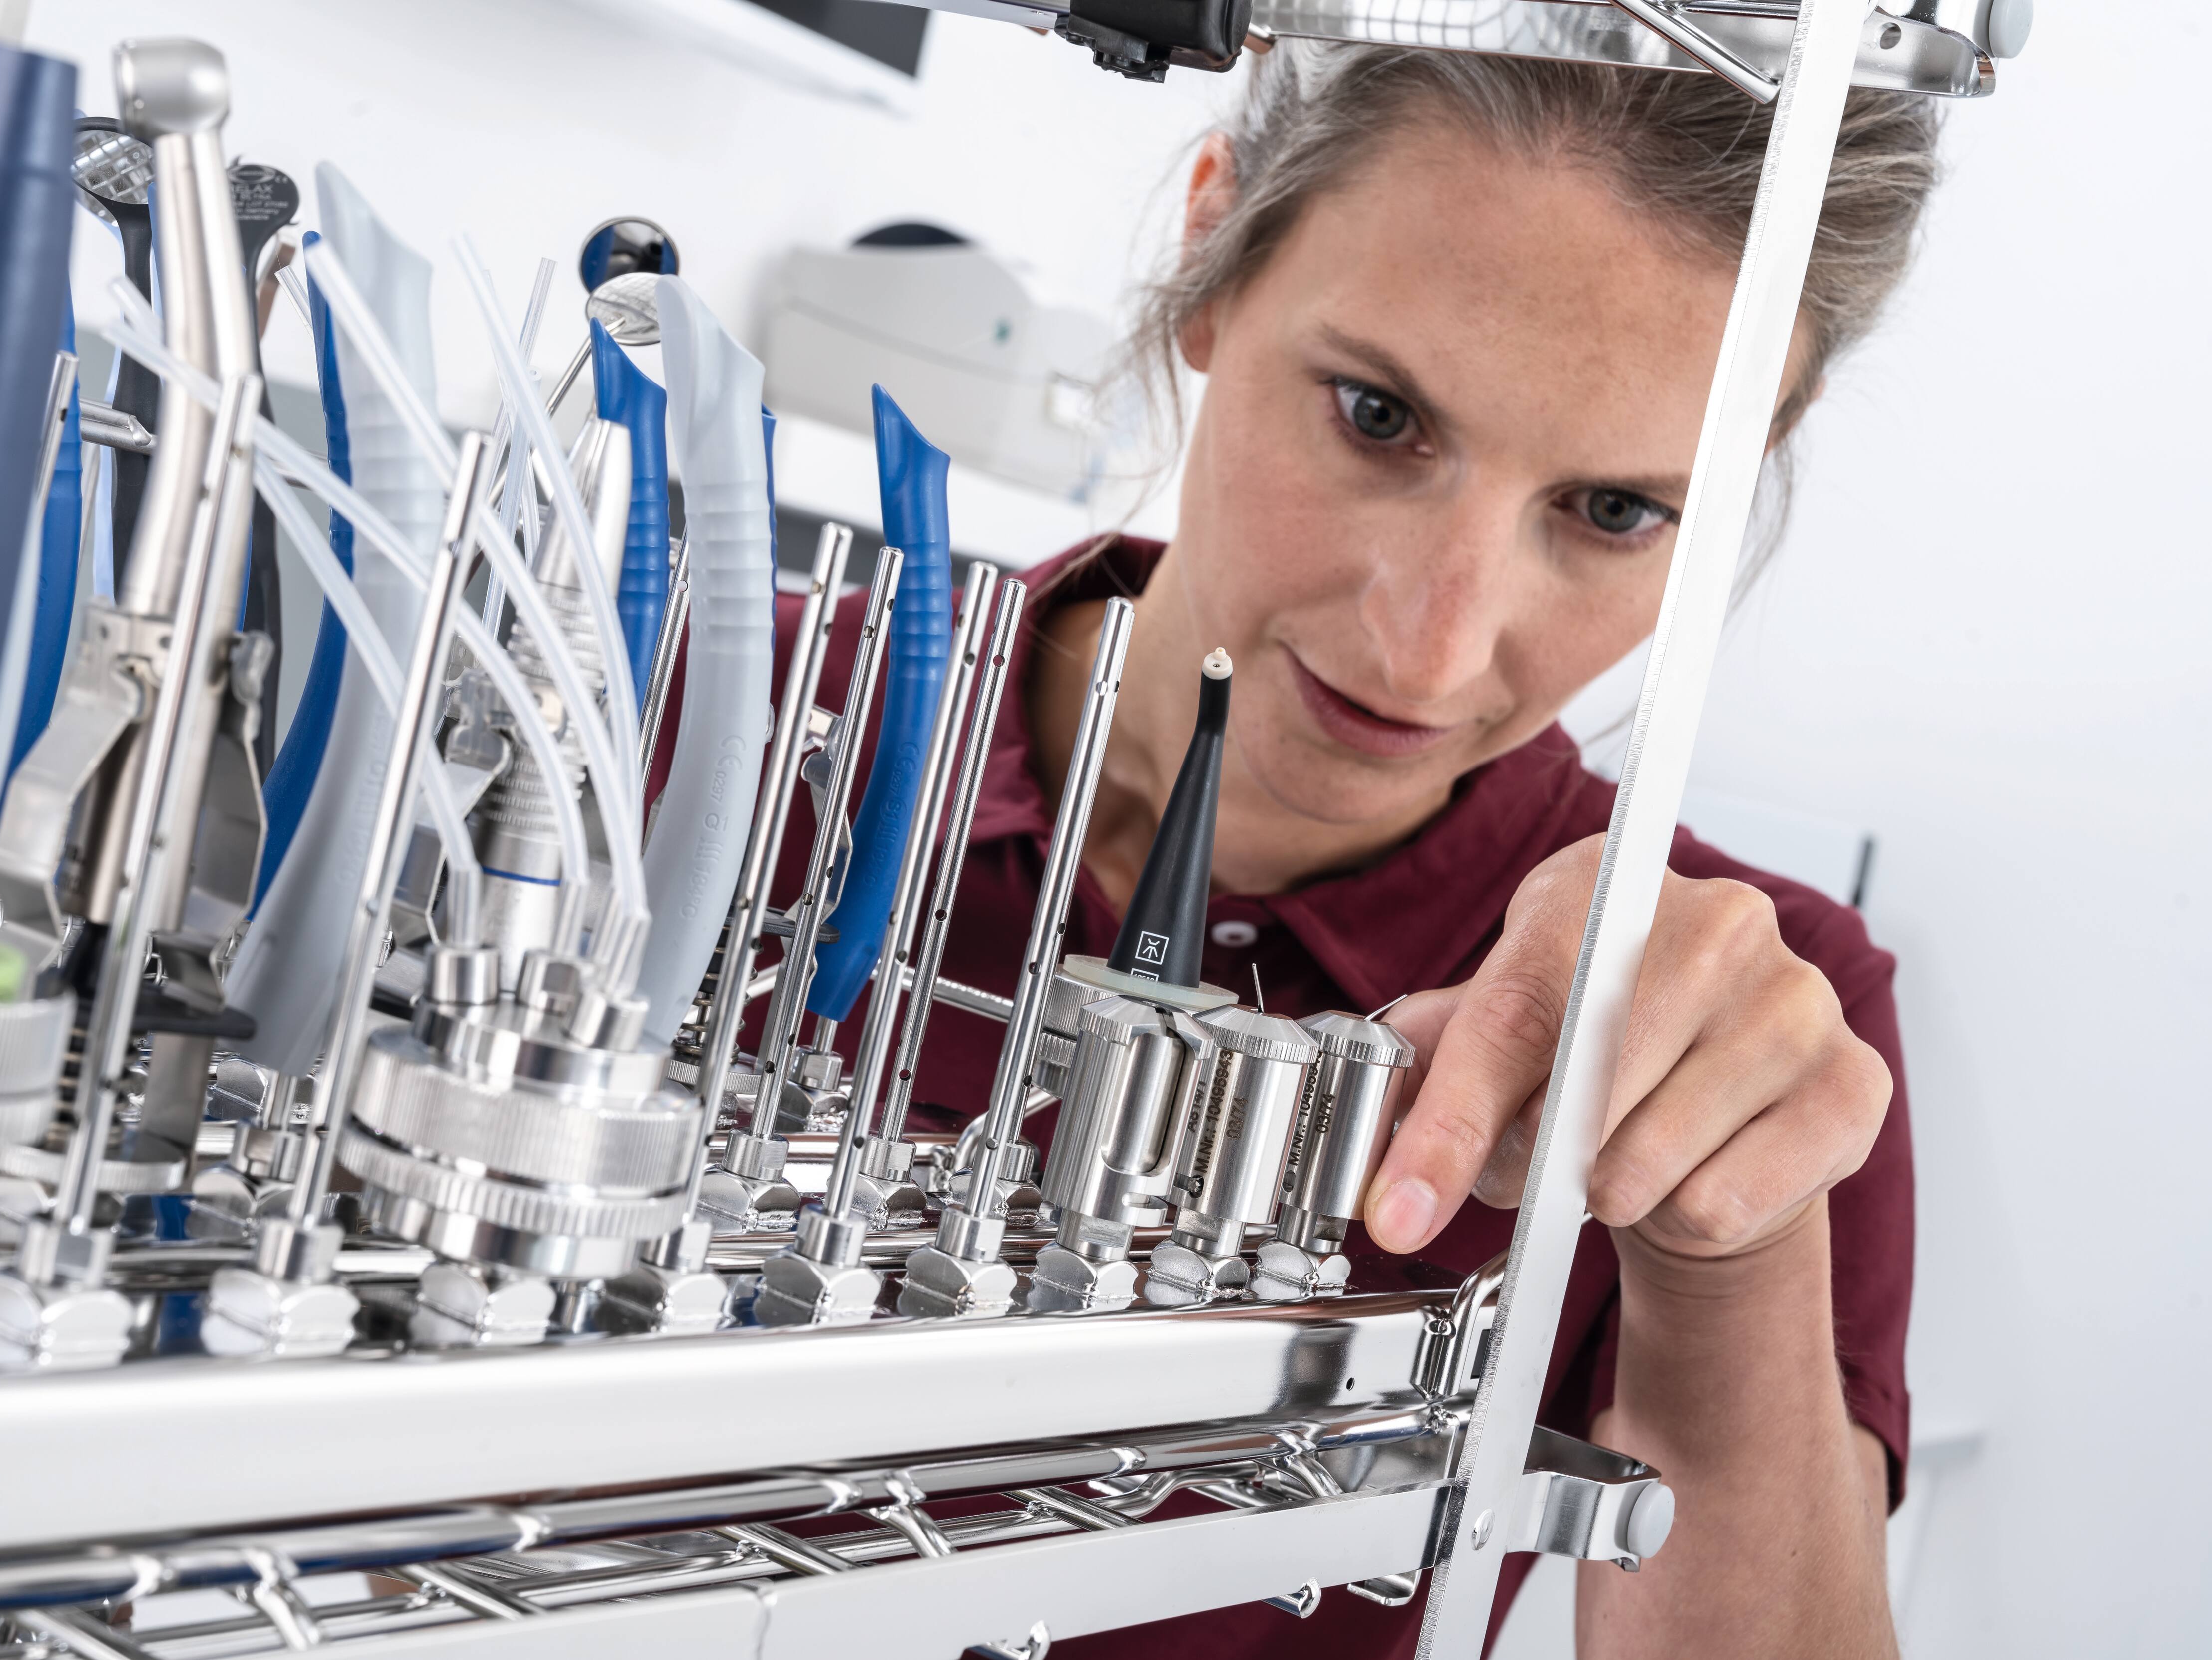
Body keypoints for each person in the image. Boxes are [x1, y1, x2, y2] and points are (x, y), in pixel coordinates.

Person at [751, 39, 1939, 1660]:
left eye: (1611, 513)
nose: (1435, 649)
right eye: (1380, 416)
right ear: (1210, 258)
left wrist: (1721, 1238)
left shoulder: (1760, 1024)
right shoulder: (690, 722)